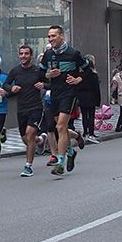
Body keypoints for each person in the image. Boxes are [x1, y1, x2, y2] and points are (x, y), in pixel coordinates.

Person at [39, 25, 89, 176]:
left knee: (61, 126)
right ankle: (71, 151)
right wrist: (48, 75)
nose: (50, 39)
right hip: (54, 93)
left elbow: (88, 70)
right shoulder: (48, 54)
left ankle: (60, 162)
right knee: (60, 128)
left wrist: (78, 79)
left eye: (53, 36)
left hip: (69, 93)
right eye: (49, 36)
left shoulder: (73, 53)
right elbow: (40, 74)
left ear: (62, 36)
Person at [3, 45, 45, 177]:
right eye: (21, 54)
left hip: (36, 107)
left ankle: (28, 166)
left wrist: (44, 85)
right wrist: (12, 88)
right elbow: (5, 84)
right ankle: (40, 140)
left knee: (29, 133)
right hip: (21, 108)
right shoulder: (15, 71)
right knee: (25, 139)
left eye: (26, 53)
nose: (23, 56)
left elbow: (50, 83)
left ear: (31, 55)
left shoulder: (37, 71)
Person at [77, 54, 102, 144]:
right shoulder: (93, 75)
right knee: (91, 115)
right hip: (91, 96)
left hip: (82, 96)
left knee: (84, 115)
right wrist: (98, 100)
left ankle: (85, 132)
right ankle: (91, 133)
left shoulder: (80, 75)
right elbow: (96, 89)